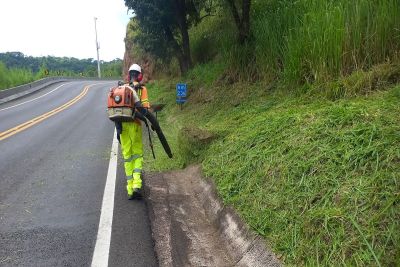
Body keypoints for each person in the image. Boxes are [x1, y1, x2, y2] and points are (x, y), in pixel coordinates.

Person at [116, 63, 150, 199]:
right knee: (137, 155)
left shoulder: (122, 88)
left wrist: (118, 129)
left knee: (127, 157)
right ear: (140, 75)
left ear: (129, 74)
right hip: (135, 125)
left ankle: (130, 190)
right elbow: (146, 110)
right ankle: (136, 185)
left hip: (122, 127)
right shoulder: (142, 89)